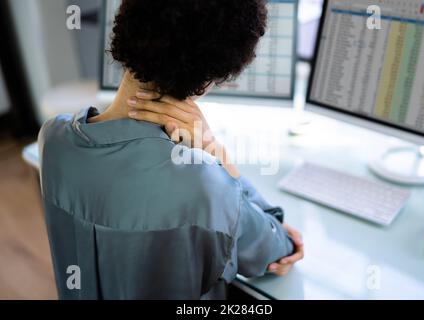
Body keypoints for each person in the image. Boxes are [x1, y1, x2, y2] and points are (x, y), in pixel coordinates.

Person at [38, 0, 303, 300]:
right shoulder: (207, 186)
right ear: (205, 83)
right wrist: (218, 155)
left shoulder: (52, 139)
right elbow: (277, 249)